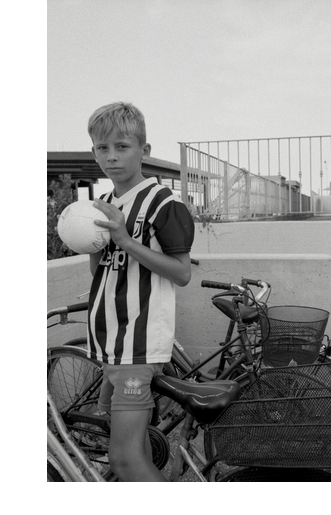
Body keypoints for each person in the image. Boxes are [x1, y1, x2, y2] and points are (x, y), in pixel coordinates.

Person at [86, 102, 195, 481]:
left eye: (122, 146)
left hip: (139, 344)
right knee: (140, 451)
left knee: (123, 461)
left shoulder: (164, 203)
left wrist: (126, 240)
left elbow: (182, 273)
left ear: (144, 150)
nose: (111, 157)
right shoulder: (105, 205)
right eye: (102, 148)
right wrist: (89, 242)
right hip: (111, 343)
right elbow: (101, 272)